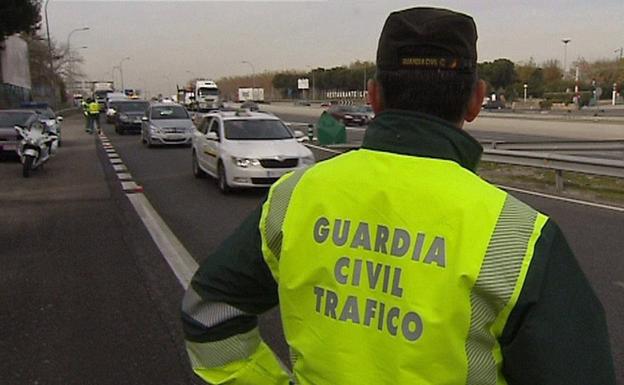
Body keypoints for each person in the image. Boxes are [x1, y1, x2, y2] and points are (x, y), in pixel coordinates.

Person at [180, 7, 615, 385]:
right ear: (475, 101)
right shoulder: (518, 236)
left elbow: (208, 312)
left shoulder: (295, 198)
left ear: (373, 97)